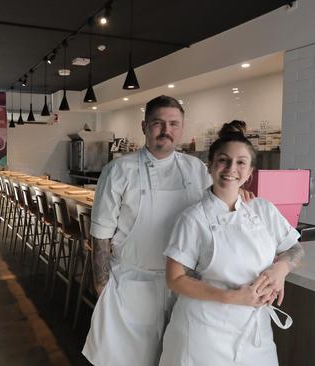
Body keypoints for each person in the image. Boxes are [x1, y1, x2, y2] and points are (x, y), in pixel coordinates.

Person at [82, 95, 213, 366]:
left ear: (182, 129)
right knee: (129, 359)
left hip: (183, 285)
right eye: (158, 123)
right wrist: (101, 284)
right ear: (144, 126)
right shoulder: (119, 170)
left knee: (177, 357)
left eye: (174, 124)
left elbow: (214, 211)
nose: (167, 130)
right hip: (132, 284)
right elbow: (101, 233)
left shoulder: (196, 169)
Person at [159, 123, 304, 366]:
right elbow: (174, 279)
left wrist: (280, 270)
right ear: (210, 165)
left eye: (241, 162)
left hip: (255, 332)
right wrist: (230, 297)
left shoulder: (263, 209)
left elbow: (296, 248)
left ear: (250, 172)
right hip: (204, 332)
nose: (231, 169)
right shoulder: (193, 218)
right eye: (223, 160)